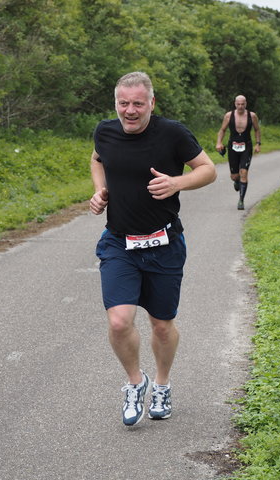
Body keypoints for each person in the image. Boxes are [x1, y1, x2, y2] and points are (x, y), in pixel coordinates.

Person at [89, 71, 217, 427]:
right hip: (119, 242)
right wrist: (101, 191)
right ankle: (135, 382)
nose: (129, 111)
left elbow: (208, 170)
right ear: (116, 102)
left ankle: (161, 383)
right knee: (118, 321)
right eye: (123, 103)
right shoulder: (105, 130)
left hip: (164, 244)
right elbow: (98, 159)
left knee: (161, 325)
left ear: (151, 103)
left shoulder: (173, 133)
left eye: (137, 104)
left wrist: (178, 182)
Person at [215, 95, 261, 210]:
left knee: (244, 173)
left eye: (242, 104)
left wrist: (258, 144)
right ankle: (236, 181)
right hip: (233, 147)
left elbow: (256, 129)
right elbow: (222, 130)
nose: (240, 106)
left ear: (246, 104)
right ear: (235, 104)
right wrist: (219, 142)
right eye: (238, 104)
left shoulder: (252, 116)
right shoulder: (229, 116)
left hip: (247, 146)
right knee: (234, 175)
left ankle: (241, 201)